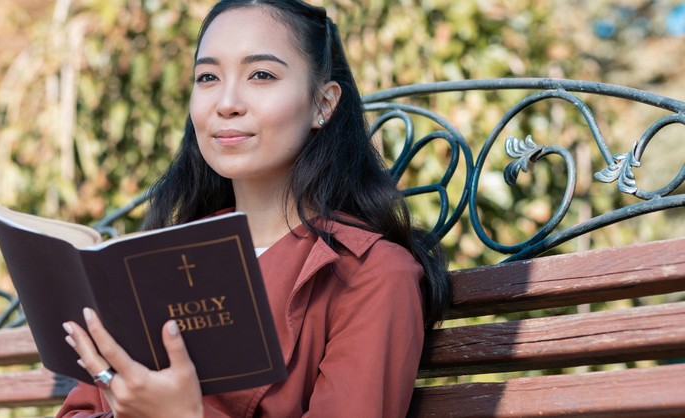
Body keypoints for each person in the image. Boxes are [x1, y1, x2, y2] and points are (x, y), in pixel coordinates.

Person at [57, 0, 450, 417]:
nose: (226, 102)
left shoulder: (371, 274)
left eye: (261, 75)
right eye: (207, 77)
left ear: (323, 103)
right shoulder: (157, 263)